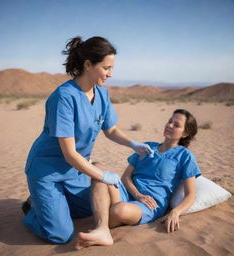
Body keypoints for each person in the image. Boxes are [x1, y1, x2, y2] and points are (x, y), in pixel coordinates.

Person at [22, 36, 153, 244]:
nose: (111, 73)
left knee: (93, 208)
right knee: (60, 234)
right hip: (48, 170)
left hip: (75, 172)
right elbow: (70, 154)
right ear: (88, 64)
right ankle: (32, 209)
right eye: (106, 67)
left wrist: (133, 144)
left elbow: (110, 129)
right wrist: (103, 175)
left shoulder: (102, 94)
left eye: (112, 68)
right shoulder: (64, 97)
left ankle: (55, 204)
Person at [76, 109, 201, 249]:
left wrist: (175, 212)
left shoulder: (185, 156)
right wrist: (137, 194)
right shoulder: (148, 146)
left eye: (176, 125)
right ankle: (102, 229)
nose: (170, 125)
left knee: (119, 210)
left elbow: (191, 195)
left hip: (150, 204)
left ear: (185, 133)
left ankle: (103, 218)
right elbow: (126, 176)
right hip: (128, 193)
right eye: (169, 121)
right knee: (98, 168)